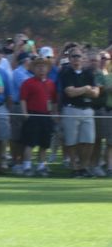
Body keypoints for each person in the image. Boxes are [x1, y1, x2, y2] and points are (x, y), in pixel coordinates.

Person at [58, 46, 99, 177]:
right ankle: (74, 168)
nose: (76, 58)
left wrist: (81, 90)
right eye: (73, 56)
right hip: (71, 109)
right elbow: (70, 92)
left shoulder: (88, 73)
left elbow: (96, 93)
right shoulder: (66, 72)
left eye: (78, 56)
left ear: (83, 58)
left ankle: (83, 167)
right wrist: (86, 89)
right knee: (71, 141)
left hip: (87, 110)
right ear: (69, 59)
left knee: (89, 140)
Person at [18, 57, 57, 176]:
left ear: (47, 69)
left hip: (46, 116)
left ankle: (41, 166)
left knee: (44, 143)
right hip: (33, 115)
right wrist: (25, 113)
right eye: (38, 66)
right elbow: (23, 99)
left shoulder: (51, 83)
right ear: (34, 68)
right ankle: (27, 166)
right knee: (29, 142)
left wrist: (54, 114)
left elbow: (54, 101)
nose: (41, 68)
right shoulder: (28, 83)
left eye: (44, 66)